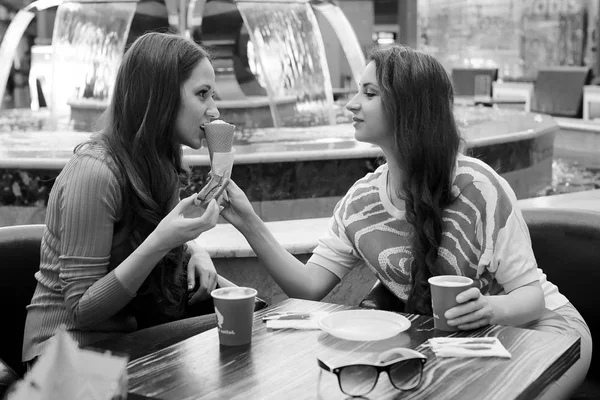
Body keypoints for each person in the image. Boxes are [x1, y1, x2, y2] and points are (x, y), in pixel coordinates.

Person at [221, 44, 591, 399]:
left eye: (369, 93)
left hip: (545, 334)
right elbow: (308, 286)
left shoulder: (479, 188)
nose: (351, 104)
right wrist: (248, 221)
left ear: (408, 107)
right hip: (462, 347)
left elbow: (532, 298)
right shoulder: (361, 203)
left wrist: (491, 308)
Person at [22, 32, 223, 365]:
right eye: (202, 94)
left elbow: (142, 239)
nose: (214, 111)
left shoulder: (159, 162)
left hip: (126, 341)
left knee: (250, 316)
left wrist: (191, 250)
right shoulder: (94, 173)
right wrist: (162, 242)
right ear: (159, 97)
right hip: (63, 357)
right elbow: (80, 312)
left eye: (212, 95)